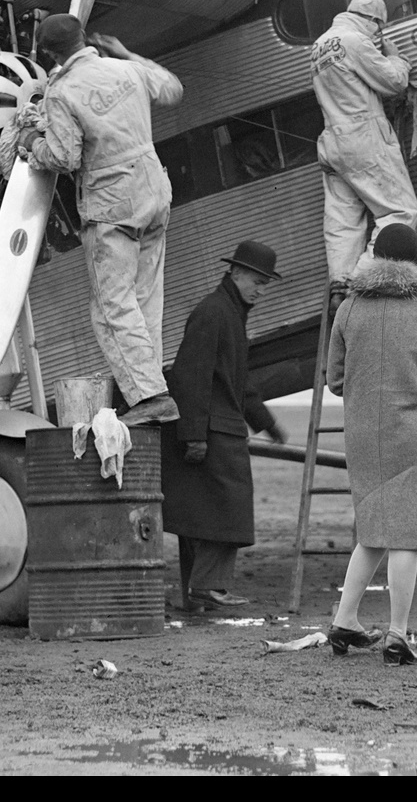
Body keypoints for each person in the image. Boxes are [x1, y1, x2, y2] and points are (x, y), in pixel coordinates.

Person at [19, 14, 183, 426]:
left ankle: (149, 395)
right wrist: (128, 53)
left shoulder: (61, 92)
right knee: (145, 299)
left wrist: (29, 141)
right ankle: (150, 390)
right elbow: (172, 89)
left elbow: (64, 157)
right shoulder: (126, 68)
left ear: (50, 54)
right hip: (153, 189)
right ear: (83, 38)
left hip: (112, 201)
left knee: (111, 305)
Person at [325, 223, 417, 665]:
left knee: (373, 529)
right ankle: (398, 633)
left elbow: (334, 381)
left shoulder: (349, 307)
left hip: (362, 434)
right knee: (407, 534)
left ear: (374, 256)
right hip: (413, 434)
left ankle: (345, 619)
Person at [160, 241, 289, 611]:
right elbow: (190, 376)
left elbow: (239, 383)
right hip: (212, 432)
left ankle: (195, 594)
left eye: (265, 284)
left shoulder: (228, 312)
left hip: (217, 428)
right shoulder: (215, 312)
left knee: (197, 517)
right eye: (256, 281)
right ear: (235, 273)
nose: (260, 291)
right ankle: (208, 586)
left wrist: (267, 423)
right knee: (229, 509)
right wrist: (194, 435)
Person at [310, 0, 417, 287]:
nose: (379, 33)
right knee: (400, 211)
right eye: (379, 26)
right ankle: (358, 281)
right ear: (372, 21)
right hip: (363, 139)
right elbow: (393, 82)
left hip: (331, 142)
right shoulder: (355, 40)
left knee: (344, 222)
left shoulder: (320, 45)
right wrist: (398, 59)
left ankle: (339, 282)